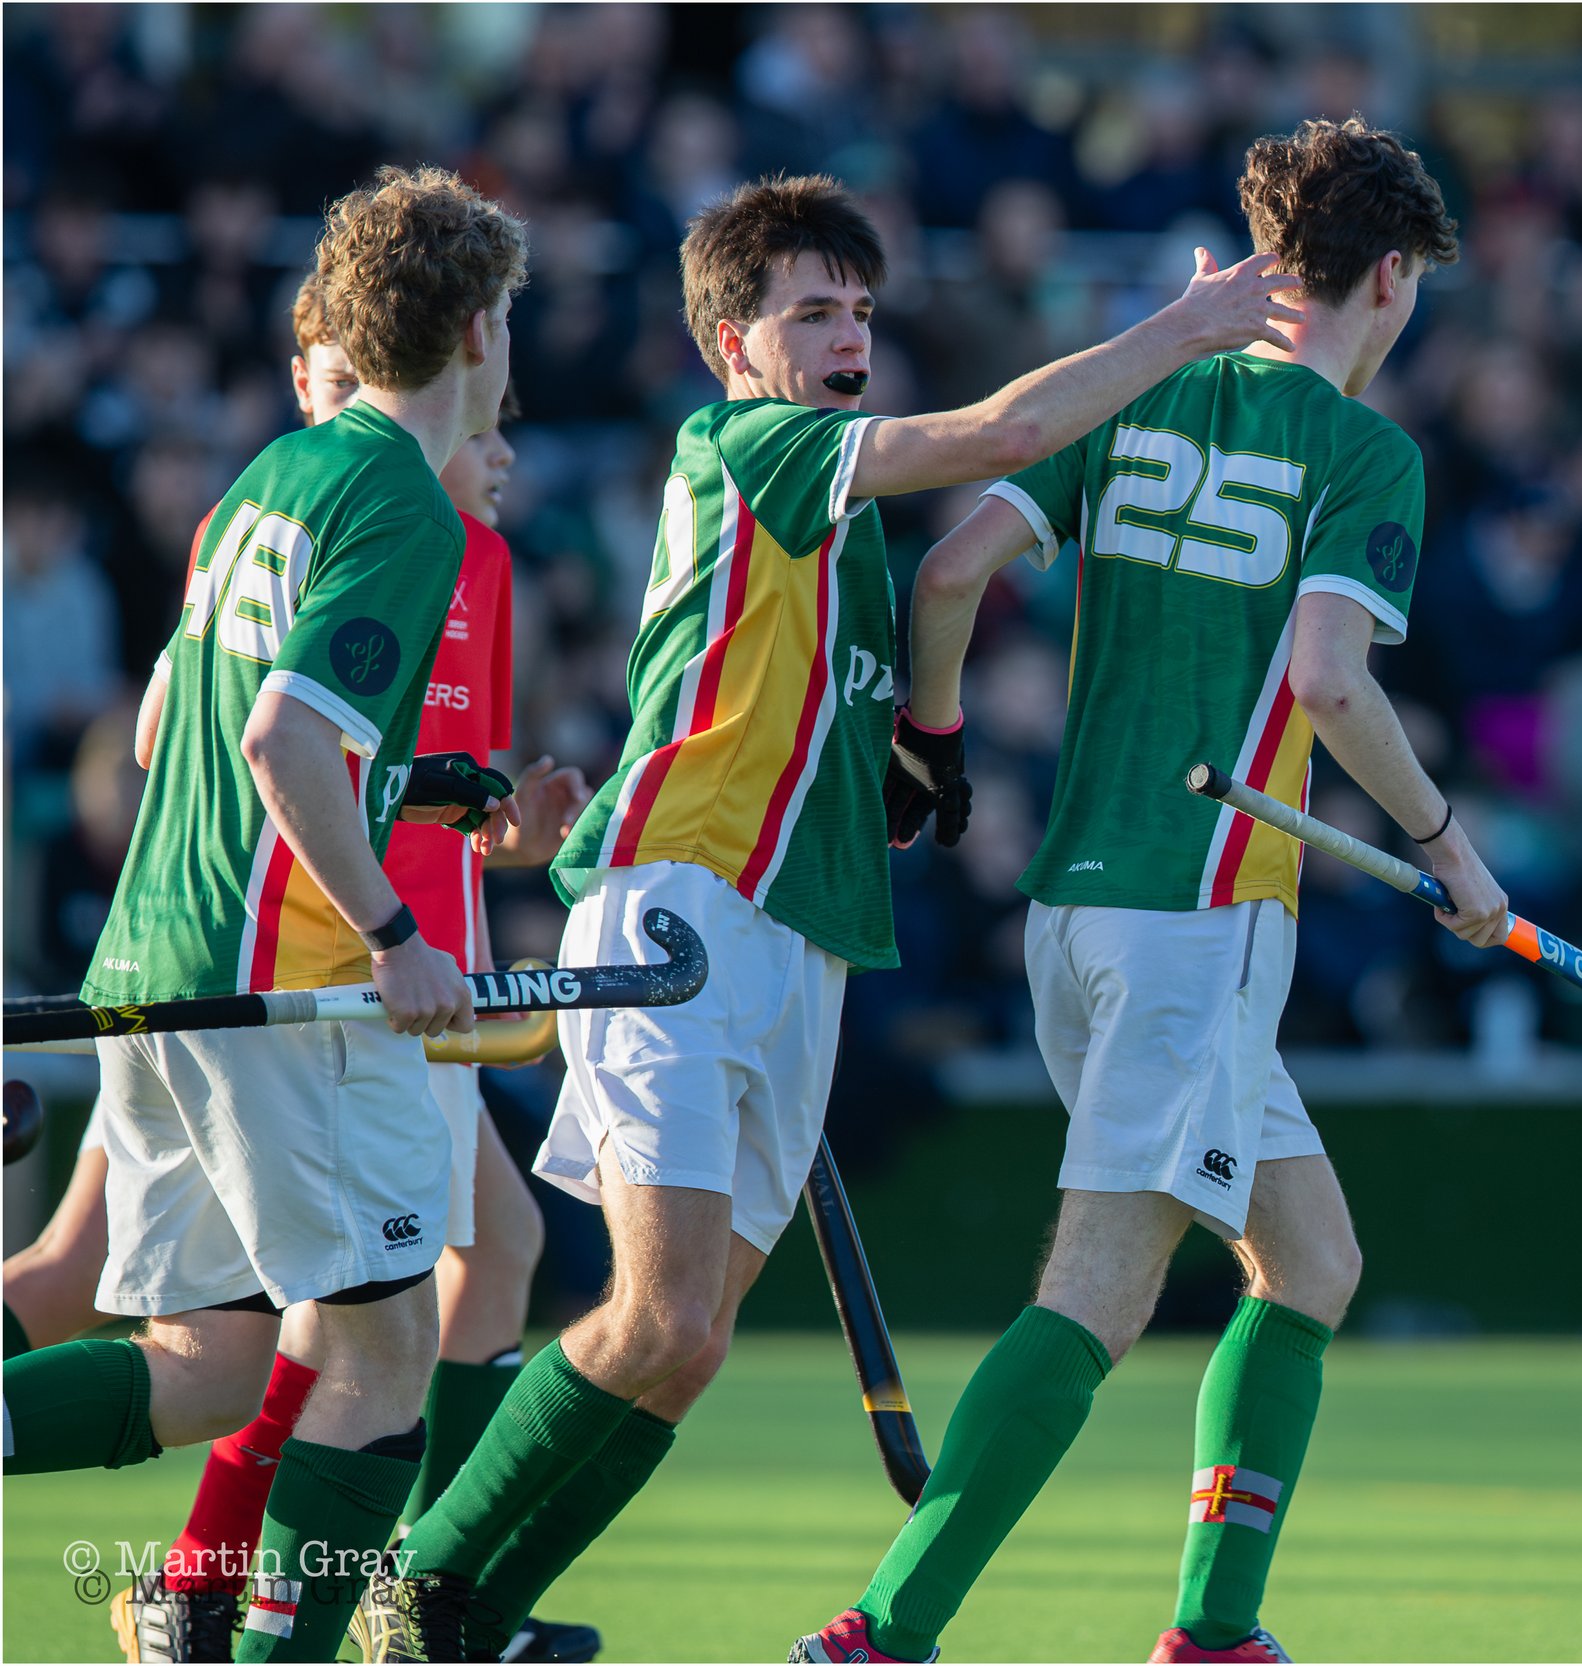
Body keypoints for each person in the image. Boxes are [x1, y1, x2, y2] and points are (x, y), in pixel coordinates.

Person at [372, 172, 1300, 1662]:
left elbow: (885, 690)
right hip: (679, 910)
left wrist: (920, 744)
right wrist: (1187, 327)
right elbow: (1000, 438)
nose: (846, 331)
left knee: (690, 1351)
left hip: (799, 939)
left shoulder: (841, 532)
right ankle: (417, 1582)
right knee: (658, 1315)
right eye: (810, 311)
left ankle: (469, 1615)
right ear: (734, 345)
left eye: (860, 308)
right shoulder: (757, 444)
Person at [791, 115, 1505, 1665]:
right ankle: (883, 1632)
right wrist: (1446, 843)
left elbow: (951, 573)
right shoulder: (1368, 451)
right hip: (1201, 914)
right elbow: (1327, 676)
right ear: (1388, 277)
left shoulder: (1143, 389)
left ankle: (1215, 1631)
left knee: (1310, 1259)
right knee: (1103, 1287)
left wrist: (934, 740)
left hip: (1073, 912)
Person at [0, 165, 527, 1666]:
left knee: (216, 1363)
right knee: (381, 1342)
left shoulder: (261, 484)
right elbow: (278, 744)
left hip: (148, 963)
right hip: (269, 984)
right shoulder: (402, 504)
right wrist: (393, 930)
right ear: (478, 328)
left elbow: (173, 718)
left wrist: (410, 802)